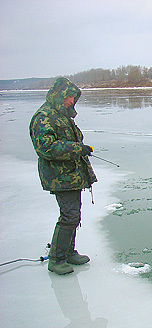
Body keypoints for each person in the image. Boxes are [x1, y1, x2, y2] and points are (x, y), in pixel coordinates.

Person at [29, 77, 97, 275]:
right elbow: (46, 148)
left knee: (73, 215)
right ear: (59, 95)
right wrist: (78, 148)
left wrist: (81, 148)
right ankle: (56, 259)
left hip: (71, 175)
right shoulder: (44, 117)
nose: (71, 102)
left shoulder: (62, 115)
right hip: (59, 177)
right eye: (69, 97)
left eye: (73, 98)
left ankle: (68, 252)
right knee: (68, 216)